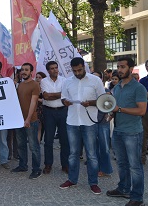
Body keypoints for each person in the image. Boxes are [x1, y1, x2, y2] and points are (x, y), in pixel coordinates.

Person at [59, 57, 106, 195]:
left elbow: (102, 100)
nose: (77, 73)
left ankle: (93, 183)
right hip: (72, 122)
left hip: (89, 122)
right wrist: (65, 102)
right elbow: (63, 97)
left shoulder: (95, 80)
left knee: (91, 154)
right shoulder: (67, 81)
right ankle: (72, 180)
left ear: (84, 67)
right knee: (73, 154)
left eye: (79, 70)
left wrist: (90, 103)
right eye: (74, 71)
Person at [106, 57, 147, 206]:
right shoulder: (116, 87)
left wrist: (120, 109)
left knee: (135, 166)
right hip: (117, 131)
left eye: (123, 67)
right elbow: (115, 107)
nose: (120, 69)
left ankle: (137, 197)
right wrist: (111, 114)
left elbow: (142, 110)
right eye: (118, 66)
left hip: (132, 133)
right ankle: (123, 188)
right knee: (122, 163)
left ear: (131, 68)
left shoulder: (139, 88)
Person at [11, 63, 42, 180]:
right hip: (19, 120)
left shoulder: (34, 85)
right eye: (22, 70)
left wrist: (28, 119)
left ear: (31, 72)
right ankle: (22, 165)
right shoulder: (20, 85)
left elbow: (33, 103)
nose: (23, 72)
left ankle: (36, 169)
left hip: (31, 120)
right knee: (21, 144)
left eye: (26, 70)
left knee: (34, 146)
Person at [40, 61, 69, 175]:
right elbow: (46, 96)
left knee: (64, 139)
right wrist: (60, 94)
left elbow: (66, 95)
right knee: (48, 140)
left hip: (63, 111)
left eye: (56, 68)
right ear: (48, 70)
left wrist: (53, 95)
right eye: (52, 68)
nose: (55, 70)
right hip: (49, 112)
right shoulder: (44, 81)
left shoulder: (64, 80)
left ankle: (65, 164)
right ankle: (48, 164)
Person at [35, 71, 47, 143]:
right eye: (36, 77)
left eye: (40, 77)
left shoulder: (44, 88)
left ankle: (39, 141)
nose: (38, 79)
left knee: (41, 127)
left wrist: (37, 99)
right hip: (35, 109)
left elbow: (45, 100)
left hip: (42, 109)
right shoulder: (34, 87)